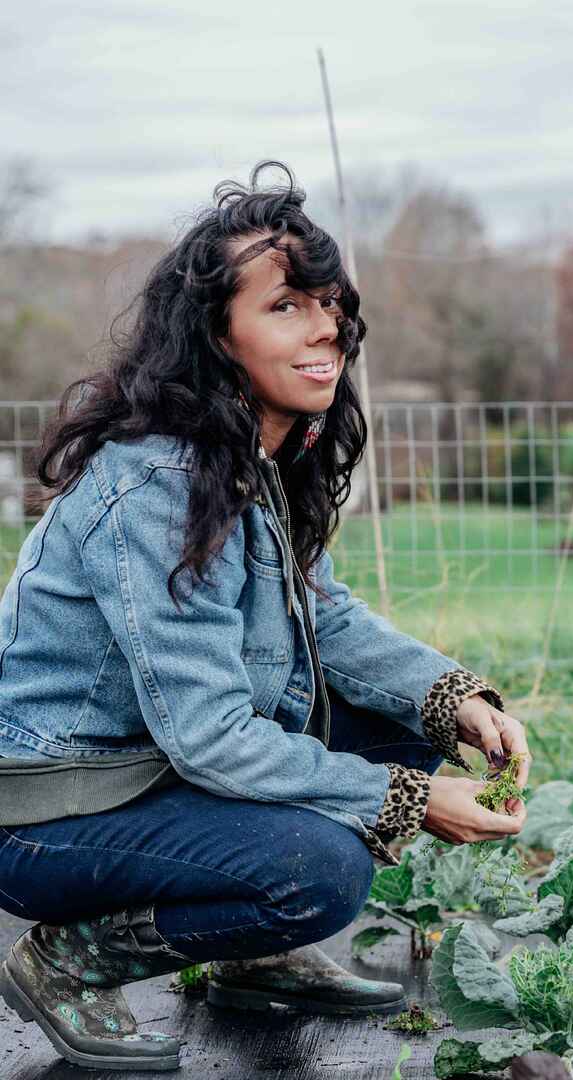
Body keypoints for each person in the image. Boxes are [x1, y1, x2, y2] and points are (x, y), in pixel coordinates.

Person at [0, 161, 531, 1072]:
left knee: (407, 728)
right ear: (215, 335)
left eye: (327, 303)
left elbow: (321, 616)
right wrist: (406, 803)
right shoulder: (158, 484)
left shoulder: (249, 454)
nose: (324, 326)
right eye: (285, 306)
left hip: (145, 771)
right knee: (321, 868)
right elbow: (210, 734)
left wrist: (452, 697)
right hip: (51, 808)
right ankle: (69, 962)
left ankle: (246, 952)